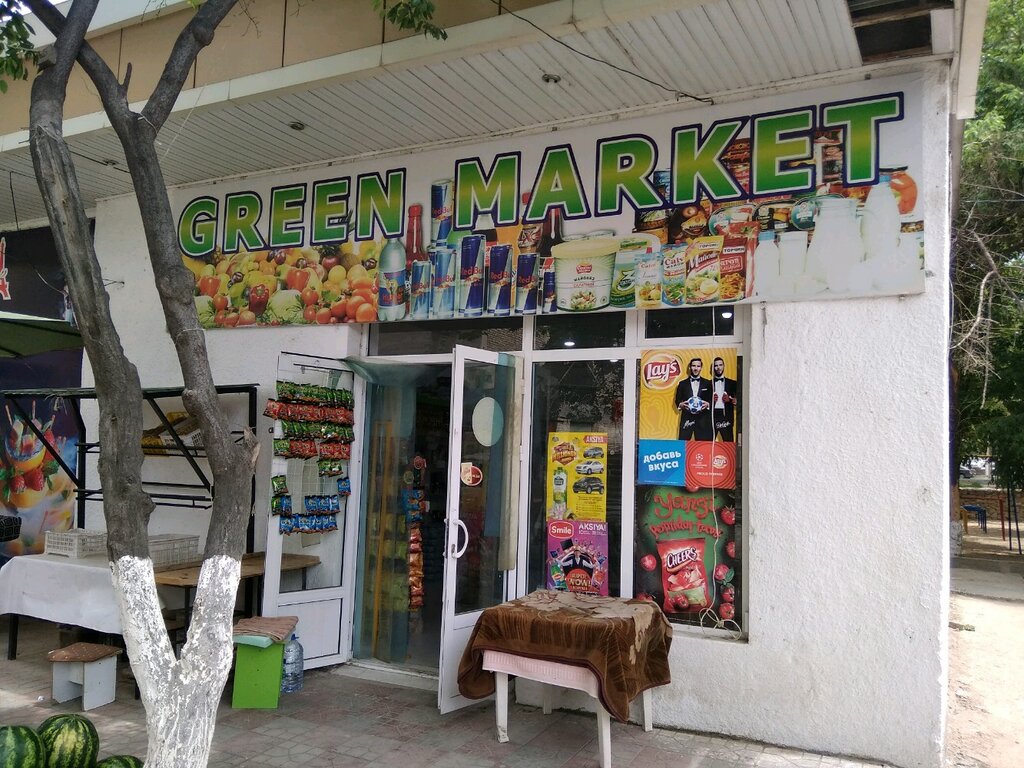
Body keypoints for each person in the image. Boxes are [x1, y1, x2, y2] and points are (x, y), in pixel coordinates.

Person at [674, 357, 713, 441]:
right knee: (683, 444)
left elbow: (712, 399)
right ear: (689, 367)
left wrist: (708, 404)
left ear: (701, 368)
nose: (696, 368)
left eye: (698, 366)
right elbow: (677, 400)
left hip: (703, 420)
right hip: (687, 418)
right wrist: (680, 405)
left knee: (703, 445)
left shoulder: (708, 383)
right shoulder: (682, 384)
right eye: (693, 366)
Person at [710, 356, 738, 442]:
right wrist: (710, 399)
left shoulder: (733, 383)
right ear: (713, 368)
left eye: (720, 365)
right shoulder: (708, 384)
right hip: (712, 417)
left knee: (728, 444)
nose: (718, 367)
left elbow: (739, 401)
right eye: (716, 365)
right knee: (709, 444)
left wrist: (731, 400)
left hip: (726, 417)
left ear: (724, 366)